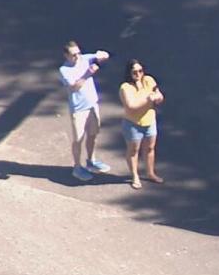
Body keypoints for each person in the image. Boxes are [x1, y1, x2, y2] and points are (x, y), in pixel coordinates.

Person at [58, 40, 111, 181]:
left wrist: (102, 55)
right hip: (79, 109)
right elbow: (74, 87)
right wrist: (87, 74)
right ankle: (77, 167)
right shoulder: (64, 70)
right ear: (66, 56)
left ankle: (91, 161)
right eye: (74, 55)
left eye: (78, 53)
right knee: (78, 139)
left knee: (93, 134)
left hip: (92, 105)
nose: (77, 57)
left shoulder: (84, 59)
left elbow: (102, 56)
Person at [118, 59, 164, 190]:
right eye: (134, 72)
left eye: (140, 71)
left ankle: (150, 173)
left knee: (150, 148)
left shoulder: (149, 80)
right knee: (133, 151)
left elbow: (158, 94)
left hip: (149, 121)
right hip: (133, 124)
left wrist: (159, 98)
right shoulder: (125, 88)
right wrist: (148, 99)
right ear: (129, 73)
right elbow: (131, 106)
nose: (138, 74)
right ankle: (135, 176)